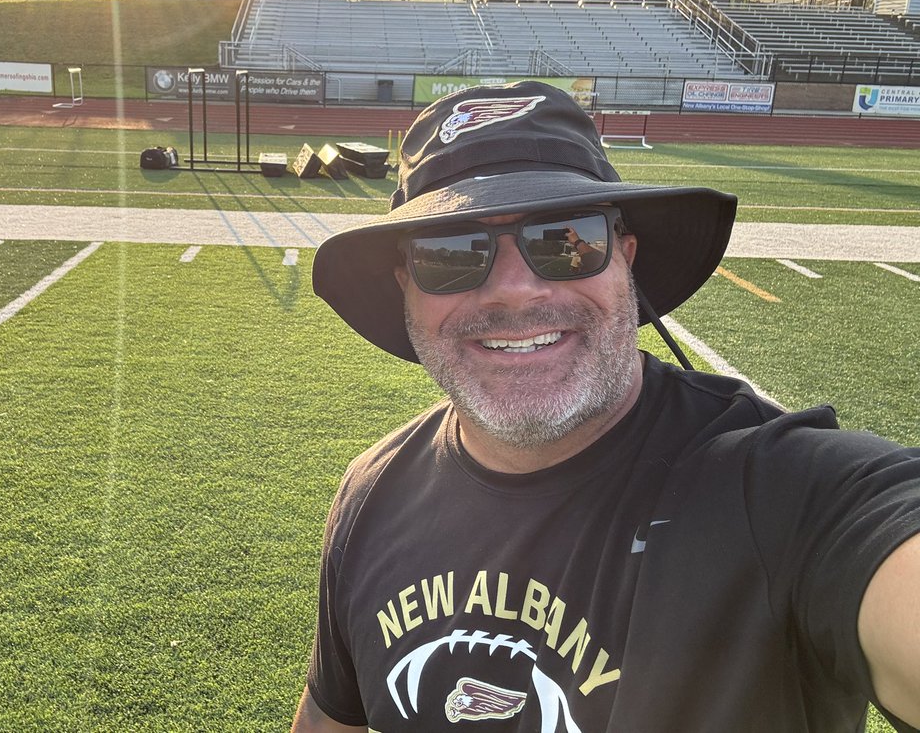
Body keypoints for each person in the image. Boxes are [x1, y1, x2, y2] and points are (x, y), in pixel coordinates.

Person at [294, 81, 920, 732]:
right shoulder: (372, 495)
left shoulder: (783, 492)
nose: (514, 290)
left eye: (564, 239)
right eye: (450, 252)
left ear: (625, 260)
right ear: (406, 288)